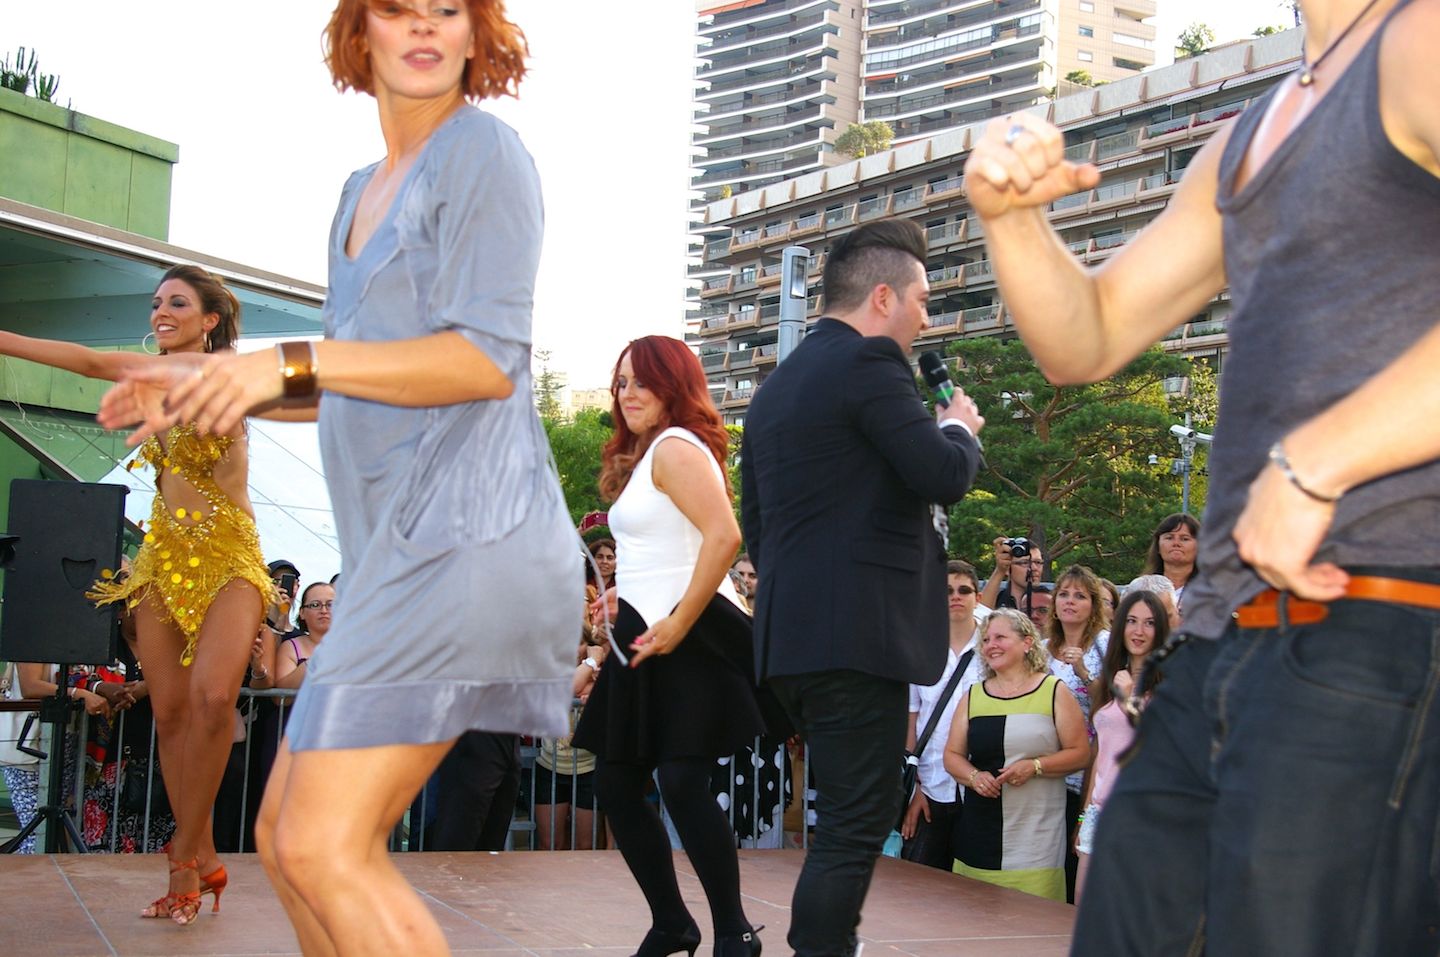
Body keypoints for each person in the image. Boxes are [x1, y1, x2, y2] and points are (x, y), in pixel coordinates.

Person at [962, 0, 1440, 950]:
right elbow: (1086, 337)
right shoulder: (1246, 138)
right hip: (1224, 643)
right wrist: (1012, 220)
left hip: (1383, 616)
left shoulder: (1419, 39)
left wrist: (1317, 463)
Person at [101, 2, 579, 952]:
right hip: (391, 561)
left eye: (450, 8)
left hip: (473, 536)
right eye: (398, 9)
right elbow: (351, 383)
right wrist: (208, 392)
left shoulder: (484, 152)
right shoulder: (358, 190)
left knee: (324, 846)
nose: (425, 26)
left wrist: (281, 365)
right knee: (286, 841)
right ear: (360, 36)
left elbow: (483, 360)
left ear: (479, 34)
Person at [740, 217, 984, 957]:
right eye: (922, 299)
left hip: (794, 636)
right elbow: (940, 473)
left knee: (846, 813)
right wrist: (959, 429)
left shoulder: (779, 385)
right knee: (852, 824)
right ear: (883, 297)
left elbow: (756, 521)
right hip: (856, 638)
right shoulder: (872, 364)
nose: (925, 317)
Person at [1, 264, 270, 918]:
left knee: (212, 699)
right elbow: (91, 360)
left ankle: (185, 854)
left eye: (176, 302)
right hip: (160, 560)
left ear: (210, 319)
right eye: (155, 303)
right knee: (172, 718)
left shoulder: (220, 372)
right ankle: (199, 861)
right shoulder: (156, 376)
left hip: (228, 556)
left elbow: (93, 359)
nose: (160, 312)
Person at [571, 335, 768, 957]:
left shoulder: (677, 447)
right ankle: (673, 923)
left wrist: (679, 622)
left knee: (680, 782)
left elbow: (723, 537)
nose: (627, 393)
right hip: (649, 628)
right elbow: (670, 548)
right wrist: (621, 595)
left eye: (641, 381)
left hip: (689, 630)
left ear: (672, 386)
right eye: (621, 382)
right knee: (617, 781)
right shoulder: (658, 451)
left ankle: (732, 930)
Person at [942, 609, 1090, 901]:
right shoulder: (973, 695)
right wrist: (973, 776)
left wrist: (1035, 766)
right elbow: (952, 755)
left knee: (1033, 927)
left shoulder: (1053, 691)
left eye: (999, 637)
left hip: (1036, 837)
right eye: (985, 640)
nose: (990, 645)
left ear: (1027, 643)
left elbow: (1080, 754)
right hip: (979, 833)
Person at [1074, 589, 1168, 905]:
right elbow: (1101, 756)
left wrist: (1129, 699)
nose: (1139, 631)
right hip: (1099, 814)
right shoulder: (1109, 680)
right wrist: (1082, 819)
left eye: (1149, 623)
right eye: (1131, 621)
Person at [900, 560, 985, 869]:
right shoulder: (918, 650)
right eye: (947, 590)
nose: (956, 596)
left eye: (964, 590)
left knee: (973, 891)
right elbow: (911, 722)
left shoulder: (994, 650)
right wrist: (915, 787)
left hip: (979, 788)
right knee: (919, 887)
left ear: (977, 596)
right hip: (930, 787)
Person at [1042, 564, 1108, 900]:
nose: (1070, 601)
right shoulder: (1040, 649)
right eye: (1064, 594)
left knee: (1074, 861)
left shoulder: (1106, 646)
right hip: (1042, 773)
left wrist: (1082, 671)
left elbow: (1114, 707)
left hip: (1084, 777)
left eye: (1080, 596)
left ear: (1094, 606)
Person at [1140, 513, 1200, 612]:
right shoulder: (1142, 587)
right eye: (1169, 538)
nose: (1176, 543)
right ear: (1158, 546)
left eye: (1185, 539)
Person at [979, 536, 1046, 614]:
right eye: (1025, 563)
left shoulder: (1049, 601)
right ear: (1008, 568)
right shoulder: (997, 602)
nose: (1034, 568)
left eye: (1038, 562)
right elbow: (981, 615)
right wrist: (1000, 570)